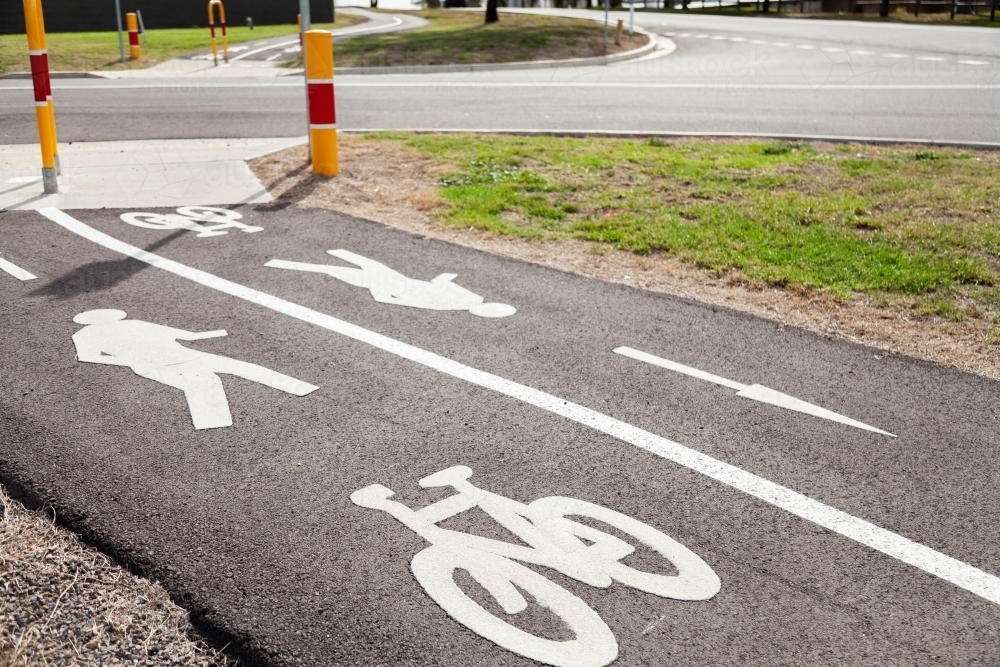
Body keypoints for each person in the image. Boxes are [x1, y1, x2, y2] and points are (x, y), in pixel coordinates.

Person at [71, 309, 318, 430]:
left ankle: (299, 387)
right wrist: (134, 361)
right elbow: (88, 357)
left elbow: (183, 335)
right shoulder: (88, 334)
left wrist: (213, 333)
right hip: (159, 363)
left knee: (239, 367)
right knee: (205, 383)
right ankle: (216, 427)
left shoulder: (132, 323)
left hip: (184, 354)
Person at [266, 249, 516, 318]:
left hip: (394, 285)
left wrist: (380, 294)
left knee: (338, 271)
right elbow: (439, 285)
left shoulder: (463, 301)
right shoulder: (469, 300)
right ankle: (333, 249)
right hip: (399, 282)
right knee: (360, 264)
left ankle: (278, 262)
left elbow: (420, 295)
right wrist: (447, 277)